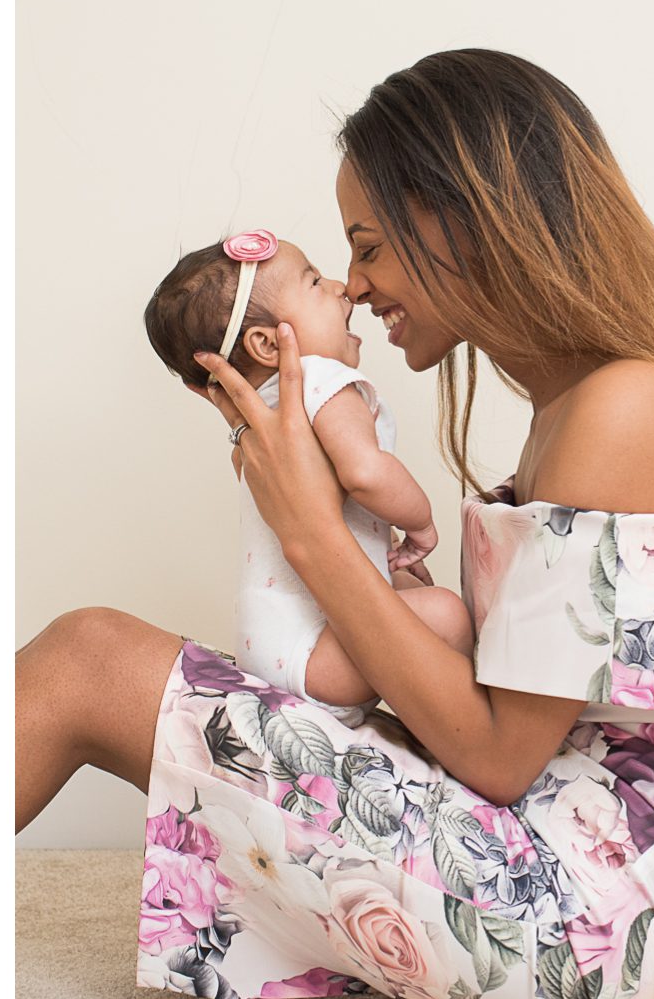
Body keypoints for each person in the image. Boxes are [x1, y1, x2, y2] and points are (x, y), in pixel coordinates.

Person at [17, 48, 654, 999]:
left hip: (574, 915)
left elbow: (502, 759)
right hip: (560, 852)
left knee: (87, 662)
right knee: (119, 664)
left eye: (369, 245)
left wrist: (314, 540)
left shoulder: (625, 411)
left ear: (463, 219)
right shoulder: (577, 407)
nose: (360, 284)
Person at [143, 228, 470, 727]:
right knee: (447, 614)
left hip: (278, 649)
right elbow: (364, 472)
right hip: (314, 652)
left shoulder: (263, 422)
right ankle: (461, 727)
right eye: (315, 282)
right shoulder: (322, 380)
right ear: (268, 344)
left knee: (404, 588)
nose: (341, 286)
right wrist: (422, 523)